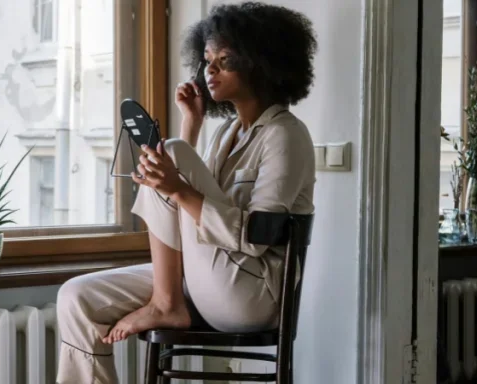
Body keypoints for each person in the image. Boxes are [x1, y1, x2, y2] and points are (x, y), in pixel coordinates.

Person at [55, 2, 317, 382]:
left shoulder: (286, 134)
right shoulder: (228, 134)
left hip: (249, 295)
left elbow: (259, 237)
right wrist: (191, 123)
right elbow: (190, 207)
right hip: (206, 280)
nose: (209, 70)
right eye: (207, 59)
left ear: (261, 64)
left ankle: (165, 302)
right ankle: (166, 300)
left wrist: (175, 184)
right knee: (76, 297)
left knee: (171, 151)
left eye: (224, 60)